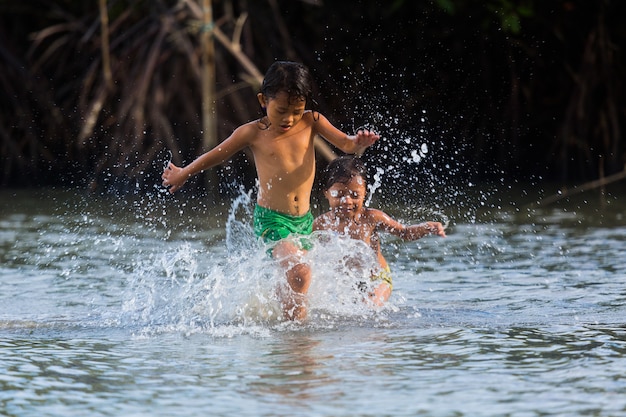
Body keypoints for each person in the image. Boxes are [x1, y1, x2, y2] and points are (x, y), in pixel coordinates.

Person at [161, 61, 379, 320]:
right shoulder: (252, 132)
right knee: (300, 273)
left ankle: (288, 333)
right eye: (282, 110)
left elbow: (347, 145)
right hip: (272, 220)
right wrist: (184, 173)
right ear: (264, 100)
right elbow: (217, 154)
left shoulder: (312, 121)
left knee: (296, 282)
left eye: (296, 110)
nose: (289, 118)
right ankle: (296, 334)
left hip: (304, 221)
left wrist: (359, 142)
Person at [313, 156, 446, 306]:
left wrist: (427, 227)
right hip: (346, 284)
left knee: (370, 307)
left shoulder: (371, 218)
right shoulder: (321, 224)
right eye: (339, 194)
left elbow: (405, 232)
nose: (347, 201)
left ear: (365, 193)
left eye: (355, 195)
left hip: (377, 278)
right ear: (326, 193)